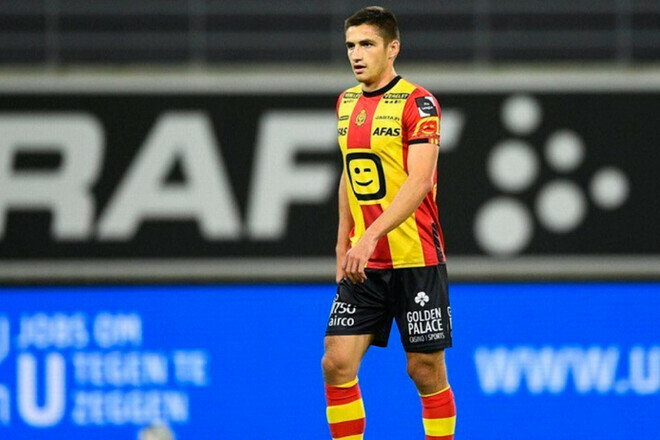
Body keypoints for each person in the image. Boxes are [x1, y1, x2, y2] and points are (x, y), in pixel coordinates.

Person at [322, 6, 456, 440]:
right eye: (350, 45)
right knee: (336, 361)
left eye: (367, 44)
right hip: (365, 264)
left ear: (392, 48)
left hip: (415, 257)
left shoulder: (419, 103)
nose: (356, 54)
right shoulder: (346, 103)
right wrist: (344, 243)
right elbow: (350, 172)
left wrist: (370, 236)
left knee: (424, 368)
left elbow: (420, 181)